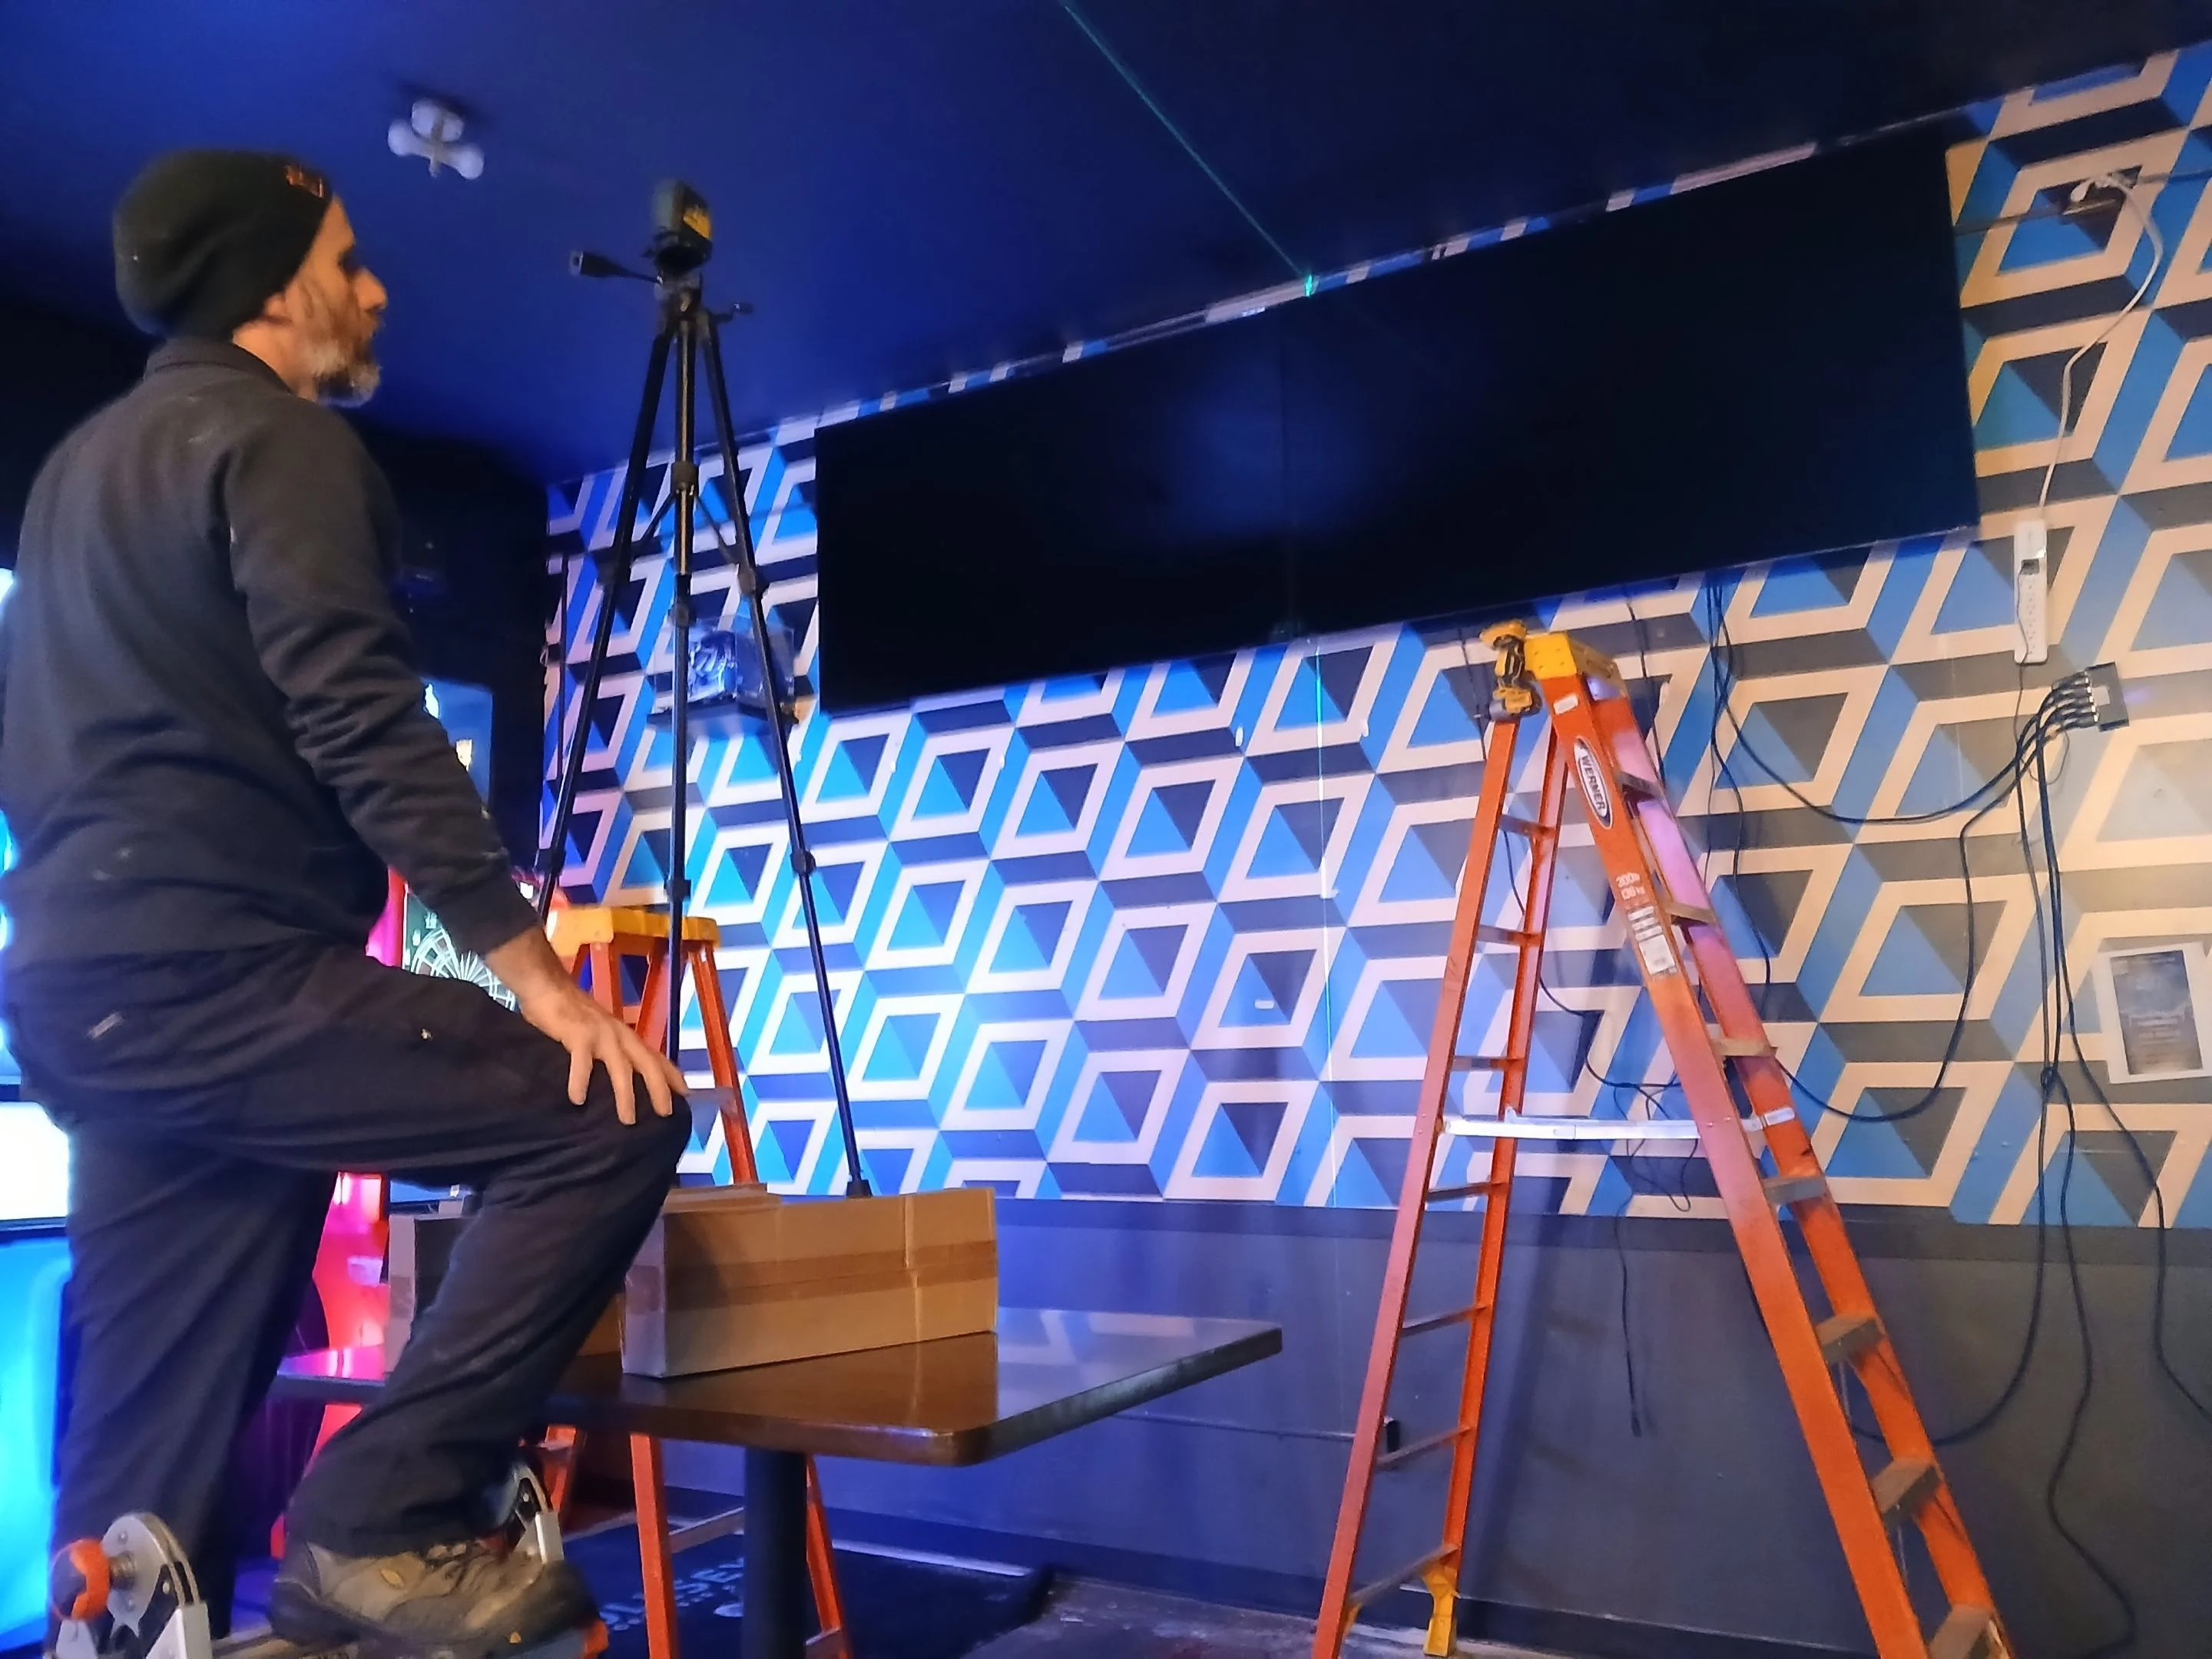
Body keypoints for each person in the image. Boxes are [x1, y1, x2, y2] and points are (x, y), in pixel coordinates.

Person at [0, 150, 691, 1659]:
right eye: (348, 262)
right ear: (272, 287)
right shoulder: (281, 443)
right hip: (221, 971)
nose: (375, 292)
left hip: (81, 995)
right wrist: (540, 982)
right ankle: (383, 1520)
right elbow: (366, 720)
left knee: (142, 1473)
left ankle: (117, 1628)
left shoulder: (72, 480)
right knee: (612, 1115)